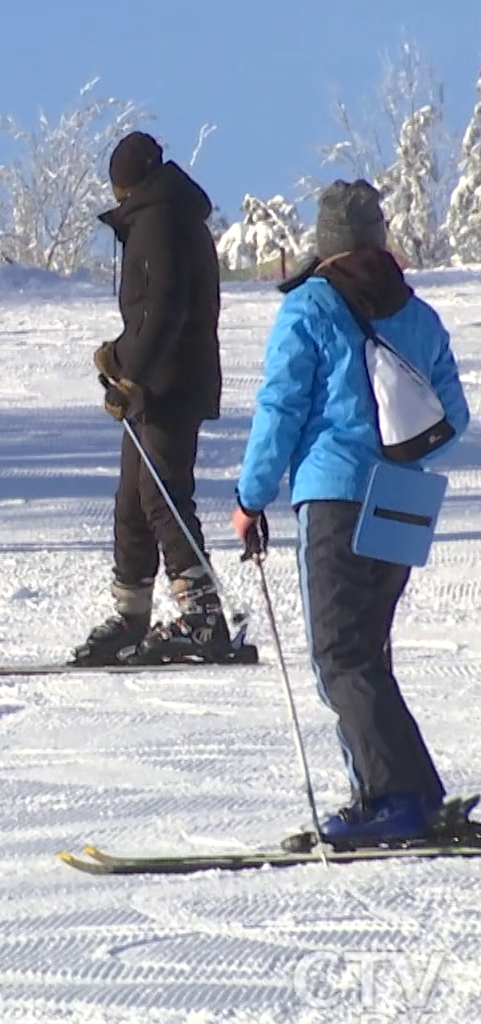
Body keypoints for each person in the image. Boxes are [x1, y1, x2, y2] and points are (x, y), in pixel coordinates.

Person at [233, 180, 470, 846]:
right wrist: (396, 451)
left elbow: (280, 410)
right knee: (367, 654)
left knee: (340, 657)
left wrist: (252, 498)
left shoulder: (309, 307)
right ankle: (409, 793)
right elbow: (453, 418)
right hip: (402, 499)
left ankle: (393, 800)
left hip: (335, 496)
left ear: (329, 242)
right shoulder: (417, 314)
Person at [74, 131, 231, 665]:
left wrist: (124, 366)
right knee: (134, 500)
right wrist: (125, 367)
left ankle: (204, 617)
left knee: (162, 495)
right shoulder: (166, 215)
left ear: (125, 187)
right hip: (158, 378)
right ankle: (131, 614)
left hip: (169, 383)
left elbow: (160, 310)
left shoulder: (159, 220)